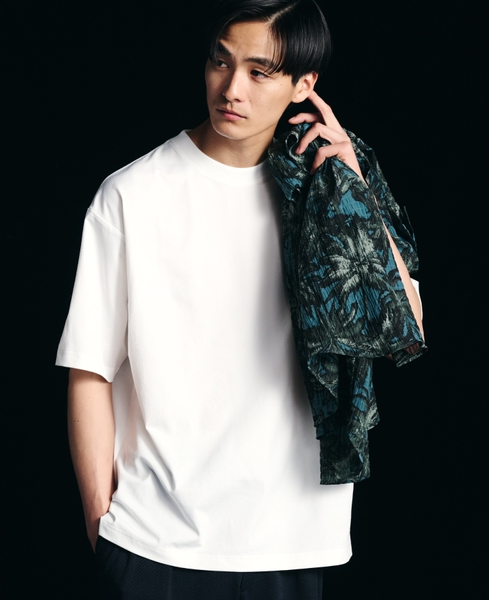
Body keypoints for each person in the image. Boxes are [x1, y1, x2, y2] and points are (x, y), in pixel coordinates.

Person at [56, 1, 423, 598]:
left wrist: (356, 185)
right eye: (220, 62)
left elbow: (408, 322)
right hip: (155, 543)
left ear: (304, 84)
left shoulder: (325, 192)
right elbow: (89, 369)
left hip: (292, 541)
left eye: (259, 72)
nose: (231, 89)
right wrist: (102, 528)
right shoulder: (132, 194)